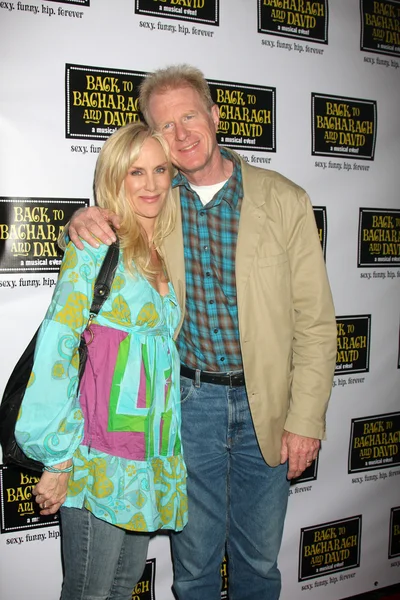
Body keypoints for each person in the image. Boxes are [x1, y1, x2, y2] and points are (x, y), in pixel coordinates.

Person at [65, 64, 337, 600]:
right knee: (192, 571)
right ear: (153, 137)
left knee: (259, 563)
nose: (182, 134)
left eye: (190, 116)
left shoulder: (283, 199)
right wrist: (82, 215)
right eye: (165, 126)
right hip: (186, 407)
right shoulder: (157, 202)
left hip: (269, 406)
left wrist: (305, 419)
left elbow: (316, 320)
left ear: (215, 115)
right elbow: (112, 216)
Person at [15, 121, 188, 600]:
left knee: (121, 586)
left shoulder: (161, 249)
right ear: (116, 178)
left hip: (144, 454)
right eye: (136, 172)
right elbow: (57, 347)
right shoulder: (95, 245)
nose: (151, 183)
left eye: (160, 169)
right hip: (95, 455)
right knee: (89, 593)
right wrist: (58, 458)